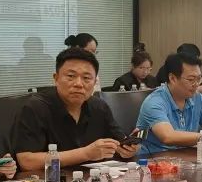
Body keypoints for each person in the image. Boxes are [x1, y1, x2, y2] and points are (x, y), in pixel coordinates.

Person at [10, 47, 139, 171]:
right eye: (71, 76)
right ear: (56, 78)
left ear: (95, 83)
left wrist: (128, 149)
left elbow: (119, 142)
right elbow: (26, 161)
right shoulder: (34, 108)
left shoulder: (100, 107)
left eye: (86, 78)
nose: (78, 84)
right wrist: (86, 153)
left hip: (91, 179)